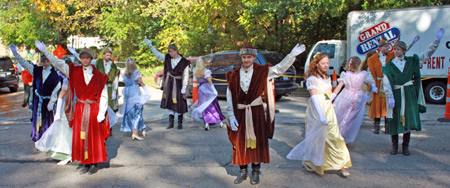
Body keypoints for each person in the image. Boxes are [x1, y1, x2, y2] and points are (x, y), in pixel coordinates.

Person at [227, 43, 305, 185]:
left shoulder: (262, 71)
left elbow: (279, 69)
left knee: (256, 143)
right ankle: (243, 171)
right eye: (244, 57)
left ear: (254, 57)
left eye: (249, 57)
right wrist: (231, 115)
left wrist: (291, 55)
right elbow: (229, 95)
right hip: (240, 112)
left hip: (256, 112)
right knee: (240, 143)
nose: (246, 60)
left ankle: (255, 172)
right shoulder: (234, 74)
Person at [35, 41, 110, 175]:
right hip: (80, 108)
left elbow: (104, 94)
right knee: (81, 136)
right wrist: (45, 51)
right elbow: (57, 63)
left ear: (91, 59)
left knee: (93, 136)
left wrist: (101, 112)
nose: (85, 60)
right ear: (80, 59)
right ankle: (84, 162)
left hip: (93, 108)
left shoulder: (98, 75)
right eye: (83, 57)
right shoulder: (74, 71)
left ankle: (94, 162)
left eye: (87, 57)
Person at [287, 53, 351, 178]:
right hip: (317, 110)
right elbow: (315, 97)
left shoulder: (326, 77)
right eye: (323, 63)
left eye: (327, 63)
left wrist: (339, 86)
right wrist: (321, 115)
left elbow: (328, 94)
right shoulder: (312, 78)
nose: (326, 65)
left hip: (328, 108)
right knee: (317, 137)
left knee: (334, 136)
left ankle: (340, 164)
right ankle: (312, 162)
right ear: (316, 64)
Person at [382, 28, 444, 156]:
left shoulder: (411, 61)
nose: (396, 51)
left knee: (407, 120)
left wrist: (436, 41)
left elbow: (427, 54)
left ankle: (405, 146)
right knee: (394, 119)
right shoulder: (390, 65)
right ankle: (394, 146)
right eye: (394, 49)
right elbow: (386, 81)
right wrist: (390, 97)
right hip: (396, 93)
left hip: (408, 94)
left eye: (398, 49)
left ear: (404, 51)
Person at [10, 45, 62, 142]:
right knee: (37, 118)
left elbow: (57, 88)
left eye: (47, 61)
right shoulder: (37, 71)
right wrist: (16, 53)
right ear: (41, 62)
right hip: (38, 101)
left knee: (47, 120)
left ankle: (47, 139)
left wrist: (52, 102)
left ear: (50, 61)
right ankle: (38, 136)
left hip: (48, 101)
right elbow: (25, 64)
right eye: (44, 61)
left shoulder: (55, 74)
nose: (46, 63)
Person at [145, 39, 189, 129]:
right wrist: (151, 46)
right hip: (169, 83)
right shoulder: (167, 58)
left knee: (179, 102)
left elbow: (186, 74)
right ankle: (171, 122)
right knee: (170, 101)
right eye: (169, 52)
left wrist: (184, 87)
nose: (170, 53)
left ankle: (180, 123)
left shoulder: (184, 62)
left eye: (171, 51)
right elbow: (158, 55)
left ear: (176, 51)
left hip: (178, 84)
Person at [35, 75, 73, 165]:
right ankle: (69, 153)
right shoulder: (66, 80)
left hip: (68, 108)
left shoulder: (67, 80)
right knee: (65, 131)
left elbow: (60, 96)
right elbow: (59, 95)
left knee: (65, 132)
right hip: (69, 107)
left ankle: (68, 154)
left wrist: (58, 113)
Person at [333, 57, 371, 143]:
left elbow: (339, 86)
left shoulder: (346, 75)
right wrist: (367, 95)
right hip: (358, 97)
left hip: (348, 95)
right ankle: (343, 135)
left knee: (342, 115)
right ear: (358, 64)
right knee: (350, 117)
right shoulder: (363, 74)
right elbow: (369, 85)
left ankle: (340, 135)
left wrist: (333, 96)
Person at [119, 58, 151, 140]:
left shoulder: (124, 74)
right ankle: (135, 132)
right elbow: (140, 82)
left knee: (131, 112)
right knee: (138, 112)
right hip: (135, 93)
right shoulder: (136, 72)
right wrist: (146, 91)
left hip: (128, 93)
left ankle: (142, 128)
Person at [190, 56, 226, 131]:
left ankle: (207, 122)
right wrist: (214, 90)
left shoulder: (195, 71)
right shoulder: (206, 71)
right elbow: (210, 81)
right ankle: (218, 121)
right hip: (208, 89)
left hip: (201, 89)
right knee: (213, 105)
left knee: (204, 105)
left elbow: (197, 82)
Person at [94, 48, 120, 112]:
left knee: (109, 107)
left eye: (109, 55)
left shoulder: (113, 66)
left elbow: (115, 79)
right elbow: (94, 75)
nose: (108, 57)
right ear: (103, 55)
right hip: (100, 87)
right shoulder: (99, 63)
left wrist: (114, 92)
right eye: (107, 55)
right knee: (100, 107)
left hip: (109, 88)